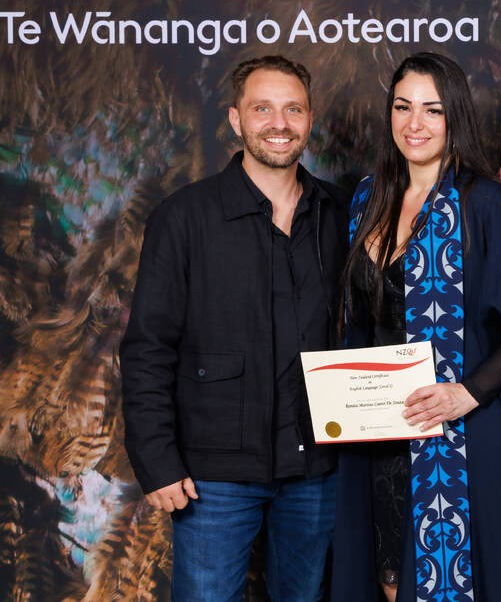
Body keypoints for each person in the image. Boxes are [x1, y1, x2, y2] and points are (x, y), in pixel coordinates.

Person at [331, 52, 501, 602]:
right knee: (388, 579)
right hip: (380, 434)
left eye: (432, 110)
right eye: (402, 107)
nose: (414, 124)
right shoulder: (366, 200)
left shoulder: (484, 203)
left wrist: (467, 393)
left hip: (462, 436)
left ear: (455, 117)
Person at [120, 56, 350, 601]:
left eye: (292, 109)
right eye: (262, 108)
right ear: (235, 118)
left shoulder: (342, 213)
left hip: (318, 467)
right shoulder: (184, 218)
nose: (279, 122)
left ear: (310, 118)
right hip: (212, 477)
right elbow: (148, 348)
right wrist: (155, 461)